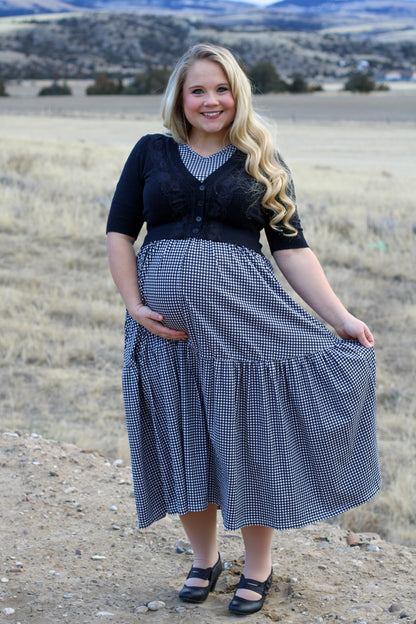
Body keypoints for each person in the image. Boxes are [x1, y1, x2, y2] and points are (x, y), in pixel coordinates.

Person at [106, 43, 381, 615]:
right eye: (198, 89)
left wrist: (342, 318)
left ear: (238, 94)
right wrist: (133, 304)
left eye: (222, 89)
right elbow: (119, 233)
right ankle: (204, 559)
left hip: (245, 335)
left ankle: (258, 567)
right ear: (180, 97)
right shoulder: (151, 152)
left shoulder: (260, 158)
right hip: (166, 338)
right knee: (185, 448)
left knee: (250, 445)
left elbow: (292, 249)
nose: (211, 100)